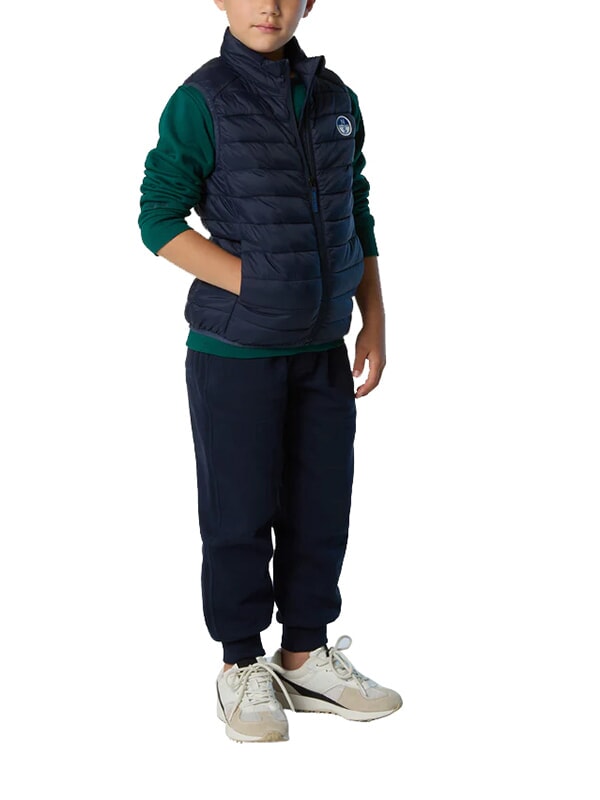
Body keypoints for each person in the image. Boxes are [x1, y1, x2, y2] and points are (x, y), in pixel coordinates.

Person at [138, 0, 402, 743]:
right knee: (240, 514)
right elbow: (158, 219)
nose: (270, 5)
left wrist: (374, 315)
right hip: (235, 354)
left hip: (322, 347)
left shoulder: (336, 97)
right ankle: (240, 665)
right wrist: (256, 285)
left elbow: (355, 209)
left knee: (322, 507)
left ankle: (306, 656)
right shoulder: (202, 99)